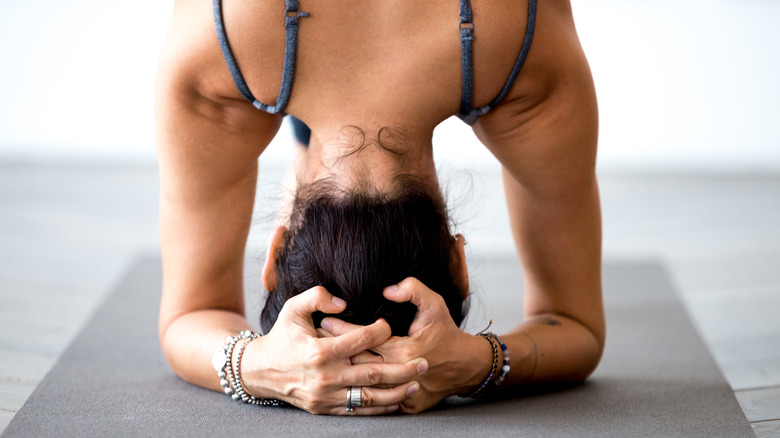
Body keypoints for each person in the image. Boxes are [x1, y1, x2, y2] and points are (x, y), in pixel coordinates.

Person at [155, 0, 604, 415]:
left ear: (459, 264)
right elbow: (573, 326)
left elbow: (578, 328)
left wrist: (480, 361)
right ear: (274, 255)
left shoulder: (519, 43)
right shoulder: (221, 49)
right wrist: (252, 364)